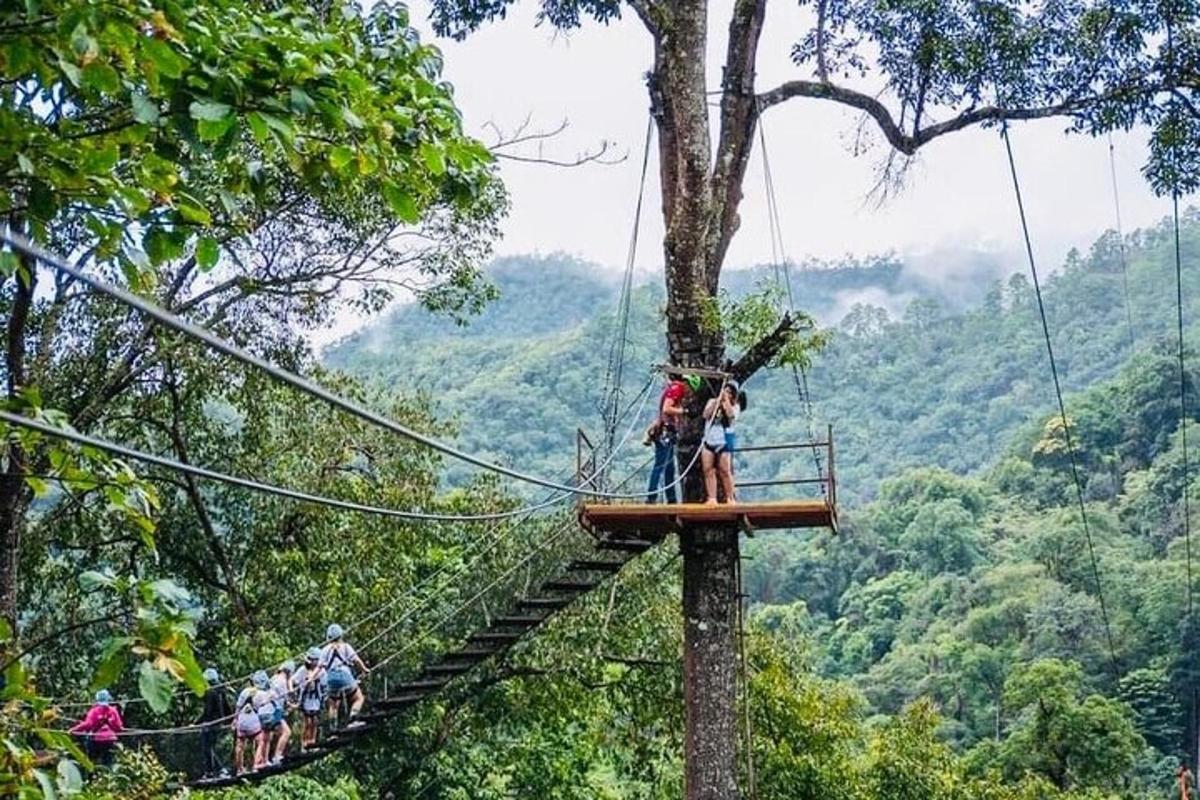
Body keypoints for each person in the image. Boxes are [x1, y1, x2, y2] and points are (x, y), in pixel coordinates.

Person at [645, 373, 701, 504]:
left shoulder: (673, 388)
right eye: (691, 390)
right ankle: (651, 497)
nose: (689, 394)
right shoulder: (678, 389)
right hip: (666, 431)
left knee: (669, 468)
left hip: (668, 431)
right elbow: (666, 408)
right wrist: (685, 412)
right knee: (660, 465)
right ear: (688, 385)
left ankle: (671, 498)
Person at [321, 624, 369, 726]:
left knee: (333, 705)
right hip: (345, 676)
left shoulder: (325, 649)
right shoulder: (346, 647)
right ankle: (353, 719)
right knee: (358, 698)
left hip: (331, 678)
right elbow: (356, 660)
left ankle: (333, 731)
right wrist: (364, 670)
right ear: (341, 635)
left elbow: (320, 667)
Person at [701, 381, 739, 505]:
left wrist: (725, 401)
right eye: (725, 391)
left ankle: (730, 497)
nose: (726, 393)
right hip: (709, 440)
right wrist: (717, 402)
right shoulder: (712, 402)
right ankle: (712, 497)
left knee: (725, 470)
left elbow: (730, 415)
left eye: (729, 392)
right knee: (708, 469)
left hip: (724, 441)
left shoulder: (735, 406)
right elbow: (706, 414)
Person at [69, 689, 123, 767]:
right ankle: (108, 775)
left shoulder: (94, 711)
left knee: (92, 760)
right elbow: (118, 727)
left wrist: (73, 729)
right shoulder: (113, 711)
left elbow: (87, 724)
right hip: (110, 739)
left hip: (97, 739)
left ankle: (92, 774)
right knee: (108, 762)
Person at [197, 668, 233, 777]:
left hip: (211, 723)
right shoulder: (220, 691)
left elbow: (208, 711)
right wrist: (229, 719)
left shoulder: (210, 692)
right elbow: (227, 707)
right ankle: (215, 770)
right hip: (219, 722)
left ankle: (213, 771)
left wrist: (197, 723)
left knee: (207, 748)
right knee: (211, 747)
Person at [232, 673, 271, 774]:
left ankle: (239, 769)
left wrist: (235, 720)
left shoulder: (245, 691)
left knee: (240, 745)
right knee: (260, 741)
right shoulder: (263, 694)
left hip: (242, 720)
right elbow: (265, 706)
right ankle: (255, 766)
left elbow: (238, 707)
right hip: (253, 721)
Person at [292, 648, 327, 751]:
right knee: (307, 722)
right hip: (306, 698)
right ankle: (304, 744)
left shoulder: (321, 671)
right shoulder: (303, 670)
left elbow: (324, 684)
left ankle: (313, 742)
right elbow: (294, 680)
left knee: (315, 721)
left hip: (316, 698)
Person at [267, 661, 294, 764]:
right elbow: (284, 697)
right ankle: (277, 756)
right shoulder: (282, 681)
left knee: (274, 734)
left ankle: (269, 758)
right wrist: (291, 705)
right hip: (275, 709)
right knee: (286, 732)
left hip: (270, 709)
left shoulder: (273, 678)